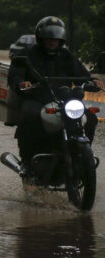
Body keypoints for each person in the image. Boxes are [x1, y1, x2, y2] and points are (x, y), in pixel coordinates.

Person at [7, 16, 105, 175]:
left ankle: (82, 156)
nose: (53, 42)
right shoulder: (30, 54)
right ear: (41, 39)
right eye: (49, 39)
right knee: (29, 116)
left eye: (56, 39)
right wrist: (22, 83)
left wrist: (93, 81)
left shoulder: (66, 56)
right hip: (38, 97)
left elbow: (82, 74)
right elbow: (15, 75)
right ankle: (26, 161)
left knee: (91, 118)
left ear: (61, 40)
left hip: (66, 99)